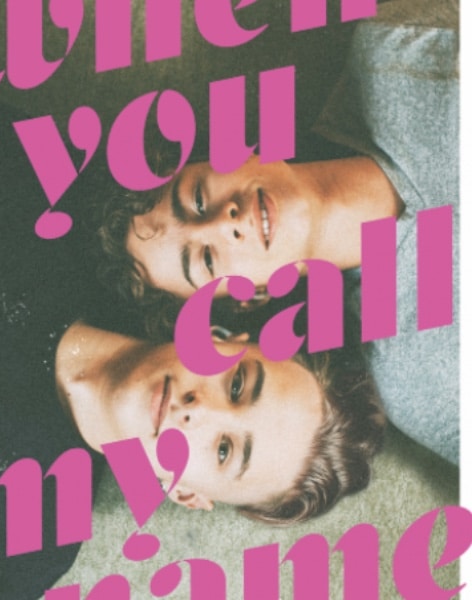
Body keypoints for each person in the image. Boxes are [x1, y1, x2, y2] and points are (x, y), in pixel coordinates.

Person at [99, 0, 458, 464]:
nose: (223, 222)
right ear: (249, 297)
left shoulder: (392, 48)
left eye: (199, 199)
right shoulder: (419, 380)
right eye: (206, 260)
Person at [55, 320, 385, 523]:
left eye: (224, 451)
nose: (197, 410)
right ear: (216, 336)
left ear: (184, 494)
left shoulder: (32, 532)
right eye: (237, 385)